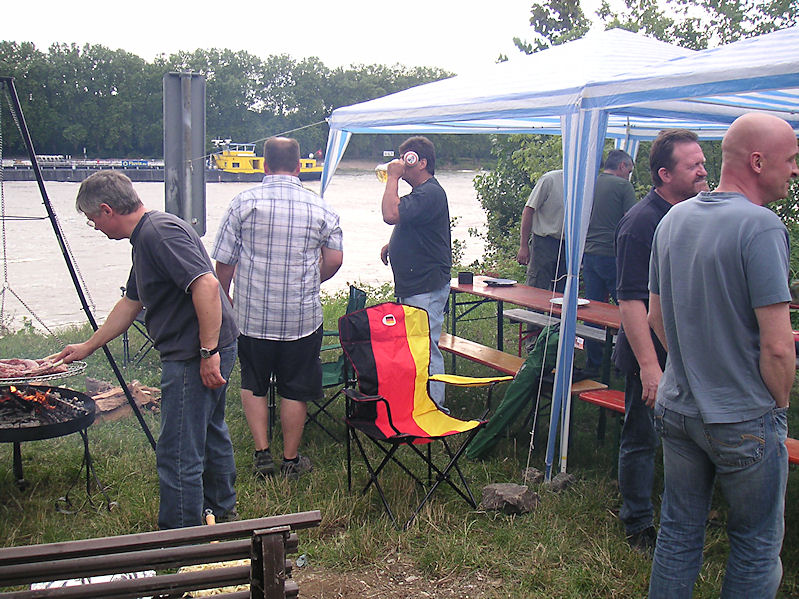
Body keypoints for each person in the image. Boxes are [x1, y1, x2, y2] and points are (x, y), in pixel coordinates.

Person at [647, 113, 797, 598]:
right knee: (755, 545)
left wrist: (690, 364)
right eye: (791, 159)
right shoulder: (762, 227)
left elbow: (655, 316)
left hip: (678, 408)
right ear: (758, 162)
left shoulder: (673, 219)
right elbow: (778, 345)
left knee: (677, 533)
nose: (796, 170)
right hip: (743, 416)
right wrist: (778, 407)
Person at [57, 171, 239, 529]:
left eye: (93, 219)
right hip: (205, 347)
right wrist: (88, 346)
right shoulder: (146, 236)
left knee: (177, 449)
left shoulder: (159, 234)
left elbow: (206, 285)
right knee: (208, 431)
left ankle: (180, 535)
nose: (94, 227)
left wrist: (207, 352)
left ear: (107, 210)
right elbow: (131, 302)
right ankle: (221, 510)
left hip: (193, 353)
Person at [212, 136, 343, 480]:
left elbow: (224, 262)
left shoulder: (242, 203)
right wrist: (312, 280)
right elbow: (334, 258)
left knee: (253, 382)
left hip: (251, 316)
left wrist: (226, 298)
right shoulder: (321, 208)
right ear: (299, 166)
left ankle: (261, 455)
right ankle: (290, 459)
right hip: (301, 317)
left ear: (264, 165)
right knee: (294, 387)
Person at [613, 129, 707, 552]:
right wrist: (651, 367)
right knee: (642, 438)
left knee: (690, 438)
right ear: (665, 175)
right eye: (693, 165)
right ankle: (637, 523)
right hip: (650, 352)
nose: (703, 170)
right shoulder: (641, 223)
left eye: (703, 162)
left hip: (688, 350)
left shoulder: (697, 213)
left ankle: (686, 513)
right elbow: (630, 301)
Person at [379, 136, 451, 408]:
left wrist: (392, 177)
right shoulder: (423, 194)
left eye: (406, 158)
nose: (401, 164)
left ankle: (435, 408)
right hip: (415, 284)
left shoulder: (430, 192)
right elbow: (416, 224)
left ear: (421, 162)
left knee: (426, 348)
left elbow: (391, 214)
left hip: (426, 285)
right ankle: (418, 404)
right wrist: (394, 245)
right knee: (415, 346)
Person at [582, 150, 637, 376]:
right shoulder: (623, 187)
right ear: (622, 166)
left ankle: (594, 362)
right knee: (628, 308)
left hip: (589, 253)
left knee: (592, 309)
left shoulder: (589, 184)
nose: (629, 175)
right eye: (629, 170)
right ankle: (624, 363)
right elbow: (633, 219)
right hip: (612, 254)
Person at [516, 169, 566, 292]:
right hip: (544, 243)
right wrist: (523, 246)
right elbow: (528, 210)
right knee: (536, 287)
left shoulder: (584, 185)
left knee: (562, 291)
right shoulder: (550, 180)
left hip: (568, 246)